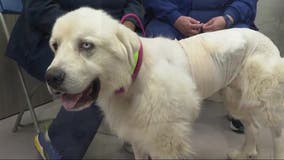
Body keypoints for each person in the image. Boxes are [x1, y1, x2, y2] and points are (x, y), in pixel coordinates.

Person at [5, 0, 144, 159]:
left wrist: (128, 23)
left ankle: (137, 135)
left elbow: (136, 2)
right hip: (48, 37)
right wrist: (84, 31)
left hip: (104, 39)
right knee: (98, 78)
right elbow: (38, 6)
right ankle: (58, 147)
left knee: (142, 63)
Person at [143, 0, 258, 133]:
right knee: (156, 45)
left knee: (243, 42)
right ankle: (158, 113)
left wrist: (228, 18)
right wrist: (175, 18)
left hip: (224, 20)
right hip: (174, 19)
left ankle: (239, 108)